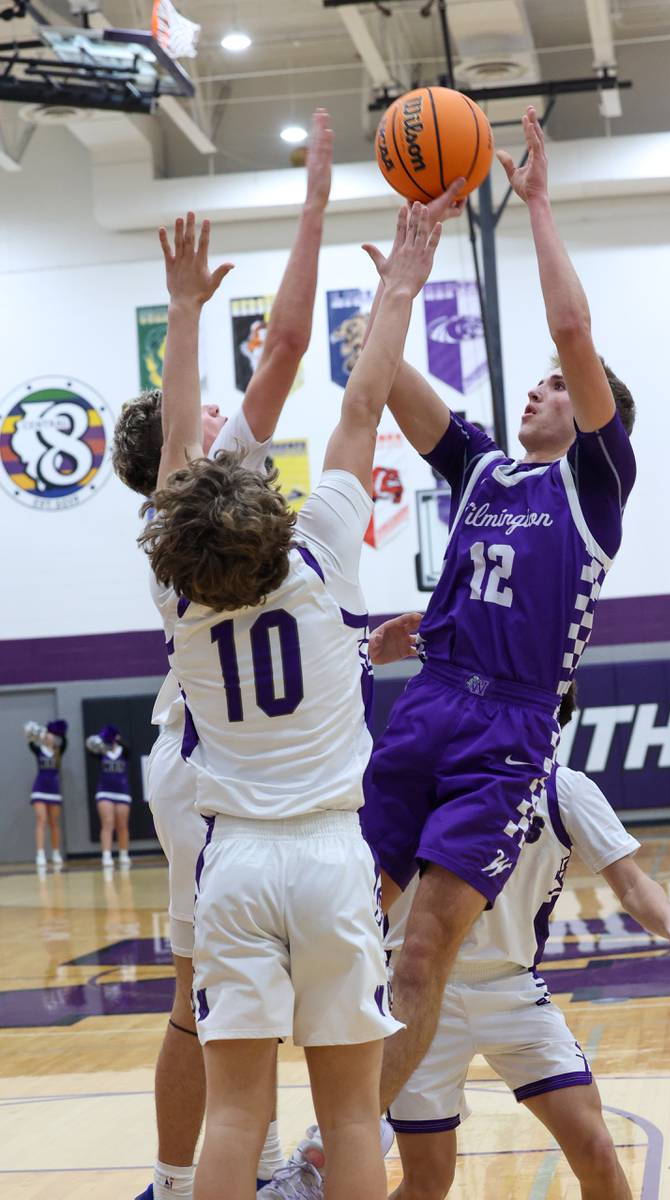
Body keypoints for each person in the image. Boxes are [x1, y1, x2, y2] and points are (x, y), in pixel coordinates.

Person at [139, 201, 442, 1200]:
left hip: (235, 866)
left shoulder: (177, 597)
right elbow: (360, 406)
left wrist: (183, 313)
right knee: (351, 1114)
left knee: (235, 1113)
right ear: (273, 510)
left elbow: (179, 444)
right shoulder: (319, 566)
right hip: (326, 859)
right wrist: (400, 280)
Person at [359, 106, 638, 1114]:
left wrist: (536, 208)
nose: (544, 381)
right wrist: (397, 286)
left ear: (597, 414)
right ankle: (283, 1136)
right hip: (429, 701)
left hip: (510, 728)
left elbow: (571, 328)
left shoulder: (593, 491)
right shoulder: (479, 469)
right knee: (337, 926)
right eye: (542, 380)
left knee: (425, 952)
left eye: (563, 387)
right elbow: (382, 376)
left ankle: (327, 1158)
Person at [114, 112, 336, 1200]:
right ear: (187, 442)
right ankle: (279, 1165)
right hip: (222, 769)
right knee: (268, 993)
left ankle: (176, 1178)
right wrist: (311, 203)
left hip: (192, 753)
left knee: (198, 993)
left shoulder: (185, 522)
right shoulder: (209, 482)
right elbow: (290, 345)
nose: (215, 408)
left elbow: (281, 349)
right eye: (196, 409)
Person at [384, 685, 670, 1200]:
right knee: (428, 1182)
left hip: (513, 991)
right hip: (418, 992)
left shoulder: (567, 790)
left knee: (597, 1150)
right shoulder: (426, 782)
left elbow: (630, 881)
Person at [85, 724, 132, 869]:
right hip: (104, 791)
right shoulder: (101, 751)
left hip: (122, 791)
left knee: (122, 825)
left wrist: (116, 739)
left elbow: (129, 749)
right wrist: (98, 742)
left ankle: (123, 854)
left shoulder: (123, 751)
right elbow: (90, 749)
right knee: (107, 822)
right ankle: (106, 855)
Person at [25, 719, 68, 870]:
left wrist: (59, 731)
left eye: (51, 735)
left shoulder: (58, 751)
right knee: (41, 820)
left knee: (53, 823)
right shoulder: (38, 750)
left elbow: (64, 741)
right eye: (47, 735)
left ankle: (56, 853)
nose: (48, 737)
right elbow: (30, 742)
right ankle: (40, 854)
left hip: (53, 790)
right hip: (39, 788)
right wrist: (32, 732)